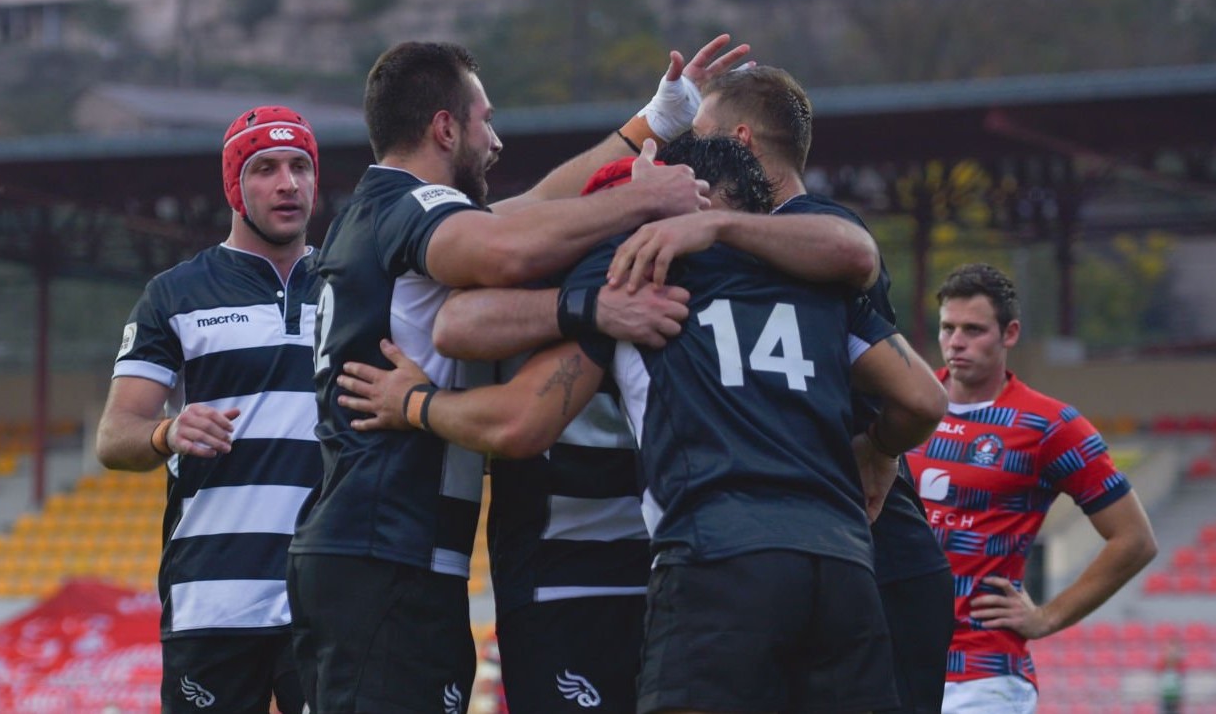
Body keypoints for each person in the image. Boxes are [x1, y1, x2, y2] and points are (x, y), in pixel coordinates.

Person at [336, 135, 950, 714]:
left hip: (714, 560)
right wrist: (878, 447)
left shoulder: (647, 275)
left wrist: (416, 403)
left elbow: (498, 388)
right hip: (842, 566)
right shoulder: (817, 274)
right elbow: (923, 397)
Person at [285, 40, 715, 714]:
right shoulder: (412, 206)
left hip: (377, 548)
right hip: (386, 545)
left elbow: (541, 204)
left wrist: (651, 124)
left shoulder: (382, 209)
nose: (496, 142)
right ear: (444, 128)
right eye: (484, 121)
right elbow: (509, 248)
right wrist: (643, 200)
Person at [612, 65, 956, 713]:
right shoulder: (777, 252)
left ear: (739, 142)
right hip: (843, 557)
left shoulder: (812, 234)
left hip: (860, 549)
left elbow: (858, 257)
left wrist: (880, 449)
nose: (691, 160)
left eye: (702, 138)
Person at [95, 106, 323, 714]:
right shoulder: (175, 294)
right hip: (212, 599)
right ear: (234, 186)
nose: (288, 183)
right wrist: (168, 432)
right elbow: (114, 437)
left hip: (325, 598)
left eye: (300, 166)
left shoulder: (349, 287)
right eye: (265, 168)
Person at [905, 262, 1158, 714]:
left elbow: (1135, 539)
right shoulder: (907, 404)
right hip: (892, 663)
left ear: (1010, 333)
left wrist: (1047, 617)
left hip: (982, 675)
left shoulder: (1049, 426)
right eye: (947, 328)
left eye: (973, 329)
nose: (956, 341)